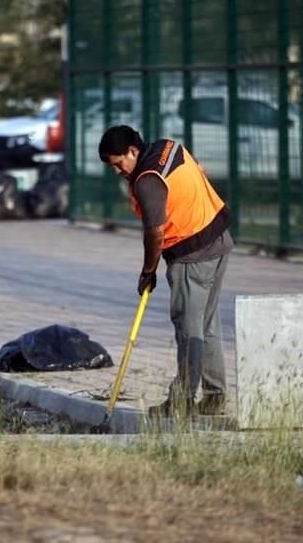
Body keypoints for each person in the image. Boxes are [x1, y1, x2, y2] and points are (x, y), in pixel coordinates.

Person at [98, 125, 234, 418]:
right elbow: (199, 170)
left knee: (189, 329)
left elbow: (155, 233)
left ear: (132, 151)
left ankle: (182, 402)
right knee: (207, 324)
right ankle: (215, 397)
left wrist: (148, 270)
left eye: (119, 163)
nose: (118, 171)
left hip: (192, 254)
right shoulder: (169, 148)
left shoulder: (147, 181)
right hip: (219, 237)